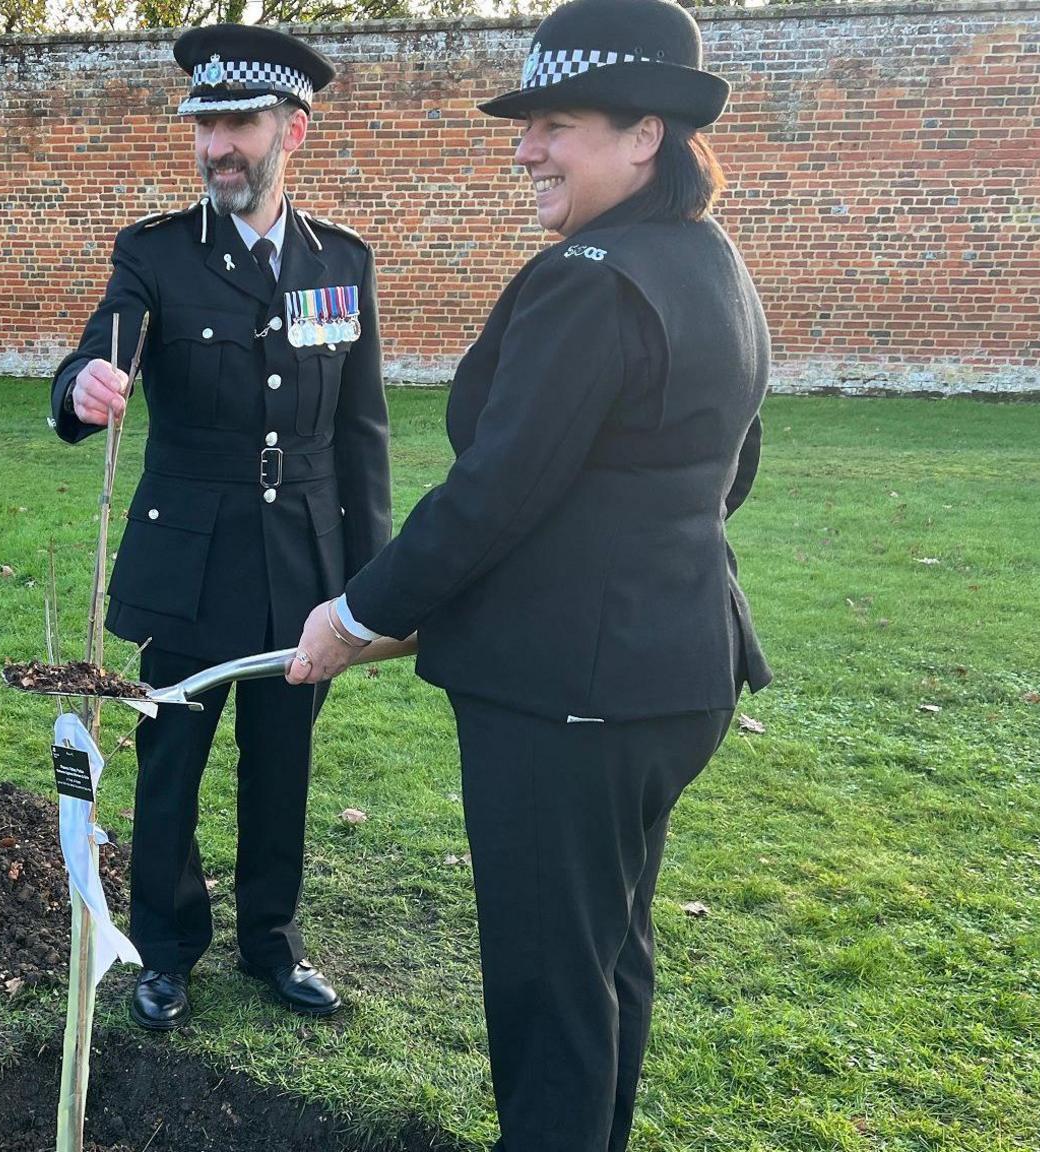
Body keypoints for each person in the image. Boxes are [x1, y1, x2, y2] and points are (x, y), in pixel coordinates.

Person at [284, 0, 770, 1147]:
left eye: (553, 123)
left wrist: (357, 614)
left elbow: (494, 487)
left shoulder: (590, 278)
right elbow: (724, 471)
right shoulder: (707, 263)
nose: (523, 149)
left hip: (569, 696)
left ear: (643, 133)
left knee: (551, 988)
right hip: (674, 672)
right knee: (605, 958)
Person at [49, 23, 392, 1032]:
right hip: (187, 565)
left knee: (281, 766)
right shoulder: (154, 254)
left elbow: (362, 430)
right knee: (169, 772)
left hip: (304, 566)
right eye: (203, 126)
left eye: (238, 124)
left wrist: (371, 588)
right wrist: (87, 387)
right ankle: (165, 949)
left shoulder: (342, 262)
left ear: (293, 129)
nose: (216, 148)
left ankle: (271, 945)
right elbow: (89, 359)